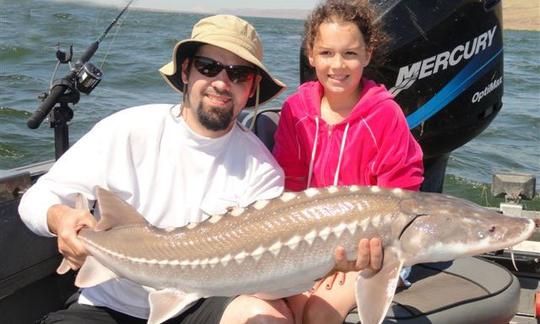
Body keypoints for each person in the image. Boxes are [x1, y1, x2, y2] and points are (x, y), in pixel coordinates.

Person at [19, 14, 384, 324]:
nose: (222, 83)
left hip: (201, 304)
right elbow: (35, 200)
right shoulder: (128, 129)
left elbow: (260, 278)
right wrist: (61, 219)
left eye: (239, 74)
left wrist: (328, 265)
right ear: (186, 71)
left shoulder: (261, 170)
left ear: (252, 88)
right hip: (109, 305)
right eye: (209, 67)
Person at [272, 1, 424, 323]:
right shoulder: (295, 111)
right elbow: (290, 189)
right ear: (311, 55)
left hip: (376, 249)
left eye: (350, 54)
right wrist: (314, 258)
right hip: (309, 243)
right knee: (291, 306)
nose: (337, 65)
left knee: (318, 312)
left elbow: (401, 201)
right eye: (326, 53)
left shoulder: (386, 115)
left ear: (367, 55)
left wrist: (355, 256)